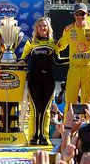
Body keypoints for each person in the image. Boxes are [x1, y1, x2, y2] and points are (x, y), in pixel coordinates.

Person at [18, 17, 68, 145]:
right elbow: (23, 59)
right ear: (36, 28)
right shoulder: (30, 42)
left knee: (46, 110)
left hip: (49, 81)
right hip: (34, 80)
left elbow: (58, 60)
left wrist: (73, 59)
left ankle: (44, 136)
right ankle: (34, 136)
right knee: (35, 109)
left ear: (48, 28)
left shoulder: (53, 43)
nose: (42, 28)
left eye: (44, 26)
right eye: (40, 26)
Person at [56, 3, 90, 119]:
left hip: (89, 69)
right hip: (74, 69)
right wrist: (51, 50)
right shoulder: (69, 30)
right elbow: (60, 45)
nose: (80, 16)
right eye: (77, 13)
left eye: (82, 13)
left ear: (87, 14)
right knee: (70, 100)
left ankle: (87, 129)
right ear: (74, 15)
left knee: (87, 101)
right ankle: (67, 129)